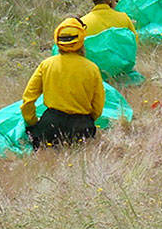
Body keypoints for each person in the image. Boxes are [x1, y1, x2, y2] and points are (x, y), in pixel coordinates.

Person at [22, 18, 105, 148]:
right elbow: (98, 105)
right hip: (82, 126)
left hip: (50, 124)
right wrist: (88, 120)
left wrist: (32, 122)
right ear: (82, 39)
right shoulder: (92, 68)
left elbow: (28, 99)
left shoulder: (46, 65)